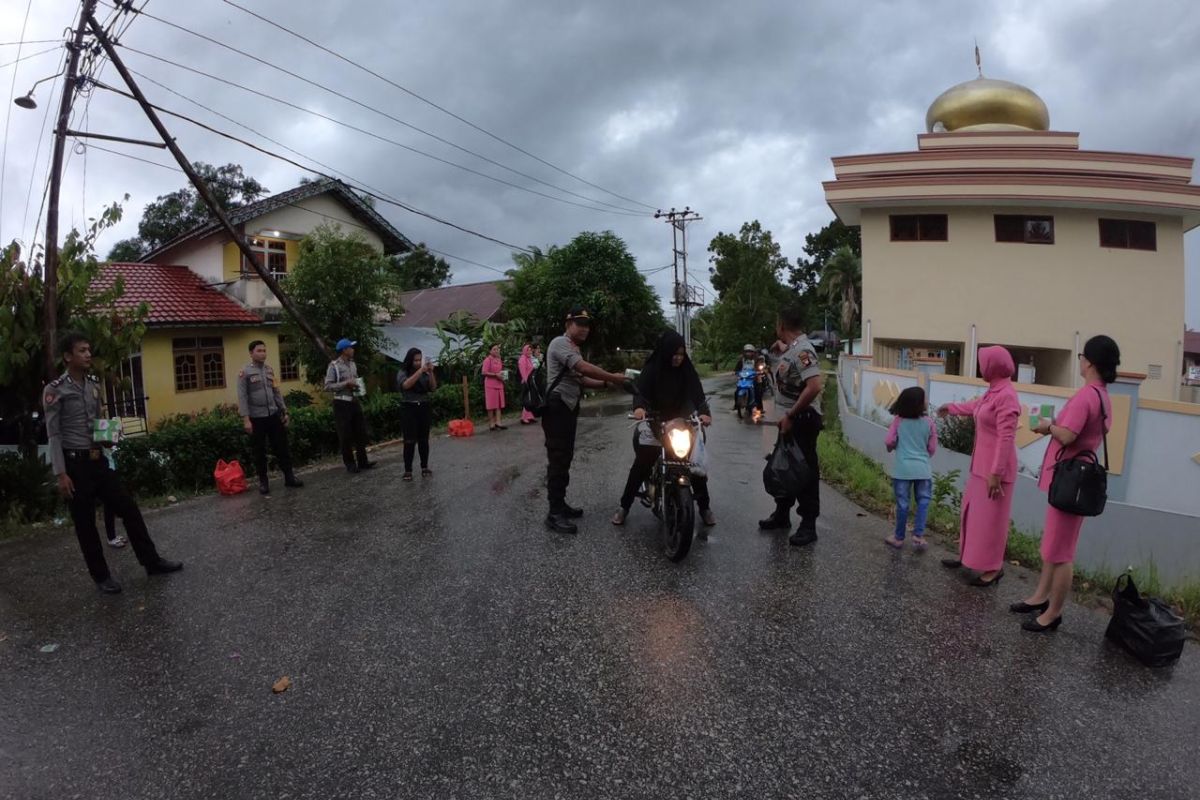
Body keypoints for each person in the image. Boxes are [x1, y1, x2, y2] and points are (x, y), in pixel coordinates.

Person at [43, 332, 182, 594]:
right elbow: (54, 434)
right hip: (74, 465)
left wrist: (108, 439)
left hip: (98, 461)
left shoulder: (93, 385)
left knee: (128, 507)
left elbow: (98, 422)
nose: (88, 354)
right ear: (67, 356)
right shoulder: (54, 390)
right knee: (85, 524)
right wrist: (61, 473)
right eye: (82, 350)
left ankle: (151, 561)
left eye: (88, 350)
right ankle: (101, 576)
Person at [1014, 335, 1120, 632]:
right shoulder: (1102, 396)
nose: (1080, 362)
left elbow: (1068, 435)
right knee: (1054, 546)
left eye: (1082, 357)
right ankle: (1039, 597)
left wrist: (1049, 426)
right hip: (1077, 479)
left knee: (1060, 554)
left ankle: (1052, 613)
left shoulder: (1087, 396)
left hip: (1070, 481)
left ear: (1091, 363)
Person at [542, 306, 632, 534]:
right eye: (579, 323)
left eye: (587, 325)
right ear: (567, 324)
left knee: (565, 457)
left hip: (567, 408)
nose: (584, 328)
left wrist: (606, 384)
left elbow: (580, 379)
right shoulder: (559, 344)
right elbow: (582, 368)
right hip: (557, 407)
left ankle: (560, 504)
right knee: (558, 458)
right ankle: (554, 513)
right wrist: (613, 377)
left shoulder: (574, 349)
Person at [612, 330, 715, 527]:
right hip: (655, 421)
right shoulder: (653, 368)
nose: (678, 358)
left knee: (694, 466)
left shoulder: (687, 369)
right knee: (642, 463)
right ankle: (624, 507)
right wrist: (640, 408)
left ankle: (704, 508)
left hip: (681, 422)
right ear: (666, 352)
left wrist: (704, 412)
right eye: (674, 353)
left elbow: (697, 394)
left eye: (681, 353)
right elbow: (640, 392)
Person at [936, 346, 1020, 587]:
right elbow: (975, 407)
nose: (981, 368)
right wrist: (950, 408)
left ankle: (993, 568)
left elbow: (1006, 437)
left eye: (984, 364)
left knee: (992, 523)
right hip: (980, 468)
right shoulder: (993, 391)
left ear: (994, 366)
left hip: (995, 474)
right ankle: (967, 557)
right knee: (972, 516)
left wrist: (996, 473)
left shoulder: (1007, 395)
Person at [758, 307, 825, 546]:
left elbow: (814, 385)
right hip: (791, 420)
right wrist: (782, 350)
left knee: (804, 471)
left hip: (802, 420)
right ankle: (782, 514)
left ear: (781, 325)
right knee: (784, 466)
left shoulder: (804, 350)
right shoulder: (795, 348)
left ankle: (808, 525)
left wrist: (791, 415)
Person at [237, 340, 303, 495]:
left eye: (264, 351)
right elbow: (242, 397)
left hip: (273, 415)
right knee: (259, 451)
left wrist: (284, 411)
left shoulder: (270, 371)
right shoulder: (244, 373)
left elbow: (277, 392)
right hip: (256, 418)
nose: (263, 353)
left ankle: (289, 477)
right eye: (259, 351)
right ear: (251, 353)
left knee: (282, 448)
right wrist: (246, 419)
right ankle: (263, 482)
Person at [884, 386, 937, 550]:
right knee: (923, 502)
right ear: (918, 404)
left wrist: (893, 447)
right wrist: (922, 454)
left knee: (903, 504)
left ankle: (899, 538)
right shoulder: (929, 423)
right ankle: (918, 536)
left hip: (902, 470)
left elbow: (889, 441)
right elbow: (932, 448)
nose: (927, 401)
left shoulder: (898, 421)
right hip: (923, 470)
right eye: (925, 399)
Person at [324, 338, 374, 474]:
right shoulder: (334, 366)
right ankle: (350, 464)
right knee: (345, 435)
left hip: (354, 400)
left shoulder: (352, 364)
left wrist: (359, 388)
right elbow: (328, 386)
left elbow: (356, 379)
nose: (353, 350)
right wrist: (345, 384)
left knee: (360, 432)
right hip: (341, 402)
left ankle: (363, 461)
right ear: (344, 350)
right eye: (351, 348)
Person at [397, 347, 437, 481]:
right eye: (415, 360)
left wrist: (431, 372)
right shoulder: (403, 372)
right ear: (410, 360)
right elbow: (406, 385)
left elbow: (433, 387)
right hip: (409, 407)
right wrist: (420, 371)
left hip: (424, 406)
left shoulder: (425, 372)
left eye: (420, 360)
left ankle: (424, 467)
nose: (418, 363)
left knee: (423, 439)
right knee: (409, 440)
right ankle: (408, 470)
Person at [482, 344, 507, 431]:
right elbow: (484, 372)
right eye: (494, 349)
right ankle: (491, 424)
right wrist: (495, 375)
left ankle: (498, 422)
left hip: (499, 383)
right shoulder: (487, 360)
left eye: (497, 349)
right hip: (490, 385)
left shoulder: (499, 359)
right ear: (490, 351)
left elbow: (500, 371)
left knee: (499, 404)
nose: (496, 351)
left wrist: (503, 375)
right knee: (491, 405)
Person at [518, 343, 537, 425]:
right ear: (524, 351)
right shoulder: (522, 359)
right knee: (526, 400)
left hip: (530, 381)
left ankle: (530, 416)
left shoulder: (528, 359)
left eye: (530, 350)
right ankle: (524, 417)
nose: (529, 351)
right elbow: (523, 372)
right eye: (528, 350)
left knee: (530, 399)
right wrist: (526, 382)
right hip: (525, 382)